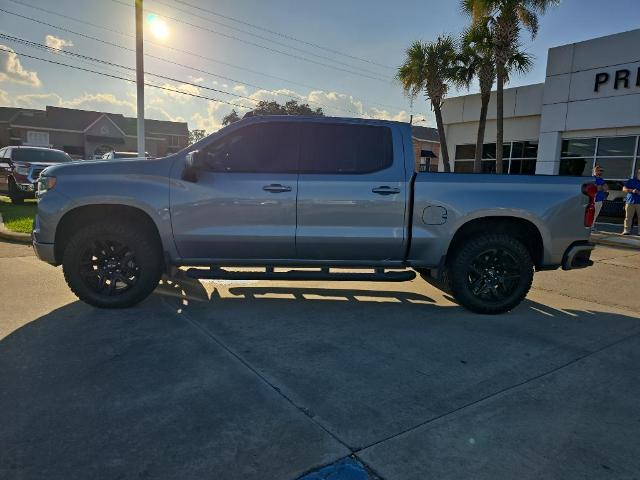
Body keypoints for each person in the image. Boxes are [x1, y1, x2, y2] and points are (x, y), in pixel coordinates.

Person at [622, 167, 640, 235]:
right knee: (628, 217)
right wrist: (632, 190)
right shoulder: (631, 180)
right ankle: (626, 231)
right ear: (637, 173)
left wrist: (639, 193)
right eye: (639, 173)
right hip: (630, 202)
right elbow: (624, 189)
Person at [592, 165, 608, 229]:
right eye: (600, 170)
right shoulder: (592, 179)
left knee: (596, 214)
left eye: (602, 171)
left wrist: (599, 187)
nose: (601, 172)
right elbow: (596, 188)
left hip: (599, 200)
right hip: (592, 200)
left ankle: (592, 226)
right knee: (590, 214)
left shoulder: (601, 180)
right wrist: (600, 187)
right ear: (595, 171)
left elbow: (606, 188)